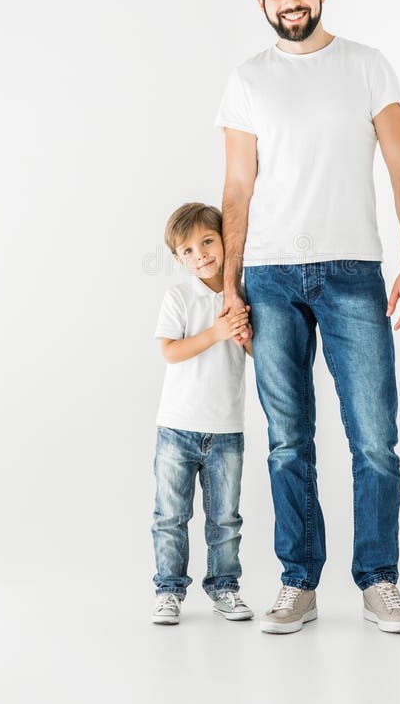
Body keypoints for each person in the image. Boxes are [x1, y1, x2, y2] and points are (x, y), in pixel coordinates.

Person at [214, 0, 400, 634]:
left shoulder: (367, 65)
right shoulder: (248, 80)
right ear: (262, 3)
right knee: (287, 440)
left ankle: (379, 580)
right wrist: (229, 287)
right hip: (269, 276)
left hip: (353, 271)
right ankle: (298, 582)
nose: (291, 2)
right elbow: (237, 188)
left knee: (374, 439)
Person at [150, 202, 254, 625]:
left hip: (226, 428)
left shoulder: (243, 294)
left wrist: (243, 331)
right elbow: (170, 351)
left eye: (208, 241)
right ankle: (168, 591)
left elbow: (256, 352)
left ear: (226, 241)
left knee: (225, 519)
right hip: (177, 426)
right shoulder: (179, 297)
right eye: (188, 251)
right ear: (178, 259)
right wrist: (216, 331)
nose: (201, 255)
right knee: (170, 516)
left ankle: (225, 588)